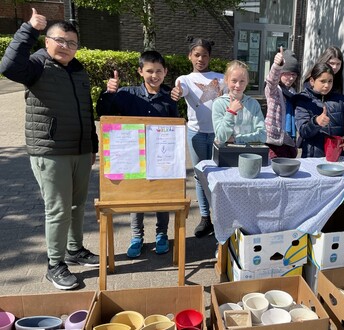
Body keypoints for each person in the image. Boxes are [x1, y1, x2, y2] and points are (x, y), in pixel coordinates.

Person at [0, 9, 99, 290]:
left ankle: (75, 249)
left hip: (80, 151)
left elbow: (86, 112)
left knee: (79, 205)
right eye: (60, 40)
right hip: (50, 151)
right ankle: (55, 265)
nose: (66, 47)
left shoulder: (79, 70)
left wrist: (92, 146)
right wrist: (28, 29)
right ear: (47, 41)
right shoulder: (36, 65)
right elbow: (7, 67)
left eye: (72, 43)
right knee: (57, 210)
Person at [96, 50, 180, 258]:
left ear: (165, 72)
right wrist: (109, 93)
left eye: (159, 71)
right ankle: (137, 236)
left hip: (161, 156)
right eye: (149, 71)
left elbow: (175, 126)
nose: (154, 75)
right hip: (132, 156)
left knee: (162, 195)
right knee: (137, 195)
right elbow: (103, 113)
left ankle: (161, 234)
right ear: (140, 71)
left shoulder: (170, 97)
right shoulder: (126, 94)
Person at [172, 38, 224, 238]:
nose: (200, 59)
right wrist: (177, 92)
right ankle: (205, 217)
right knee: (200, 176)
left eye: (204, 55)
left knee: (219, 174)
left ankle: (221, 216)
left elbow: (232, 97)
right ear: (190, 56)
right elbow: (181, 90)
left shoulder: (220, 79)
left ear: (210, 57)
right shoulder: (184, 79)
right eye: (196, 55)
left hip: (219, 135)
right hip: (196, 134)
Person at [295, 63, 344, 158]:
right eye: (322, 81)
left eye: (330, 81)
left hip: (338, 157)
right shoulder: (304, 100)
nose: (327, 85)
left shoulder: (340, 99)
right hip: (313, 158)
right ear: (312, 81)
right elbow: (303, 131)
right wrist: (315, 122)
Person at [212, 60, 266, 144]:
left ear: (247, 82)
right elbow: (221, 137)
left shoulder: (253, 104)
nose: (238, 85)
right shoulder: (219, 104)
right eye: (234, 81)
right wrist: (231, 112)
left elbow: (262, 135)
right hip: (226, 154)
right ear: (226, 80)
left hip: (249, 154)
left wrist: (236, 139)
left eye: (242, 81)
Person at [264, 46, 300, 159]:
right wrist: (277, 66)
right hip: (273, 140)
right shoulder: (273, 90)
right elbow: (271, 81)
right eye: (287, 74)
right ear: (280, 74)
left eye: (293, 74)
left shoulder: (293, 93)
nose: (290, 78)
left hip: (289, 140)